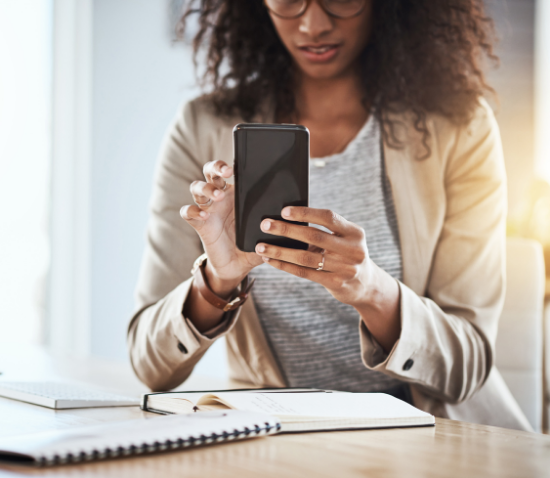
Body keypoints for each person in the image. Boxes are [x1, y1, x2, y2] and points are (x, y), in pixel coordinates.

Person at [127, 0, 531, 430]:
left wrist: (373, 290)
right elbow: (150, 366)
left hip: (432, 443)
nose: (313, 24)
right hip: (279, 448)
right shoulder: (201, 126)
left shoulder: (461, 126)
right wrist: (215, 282)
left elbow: (467, 367)